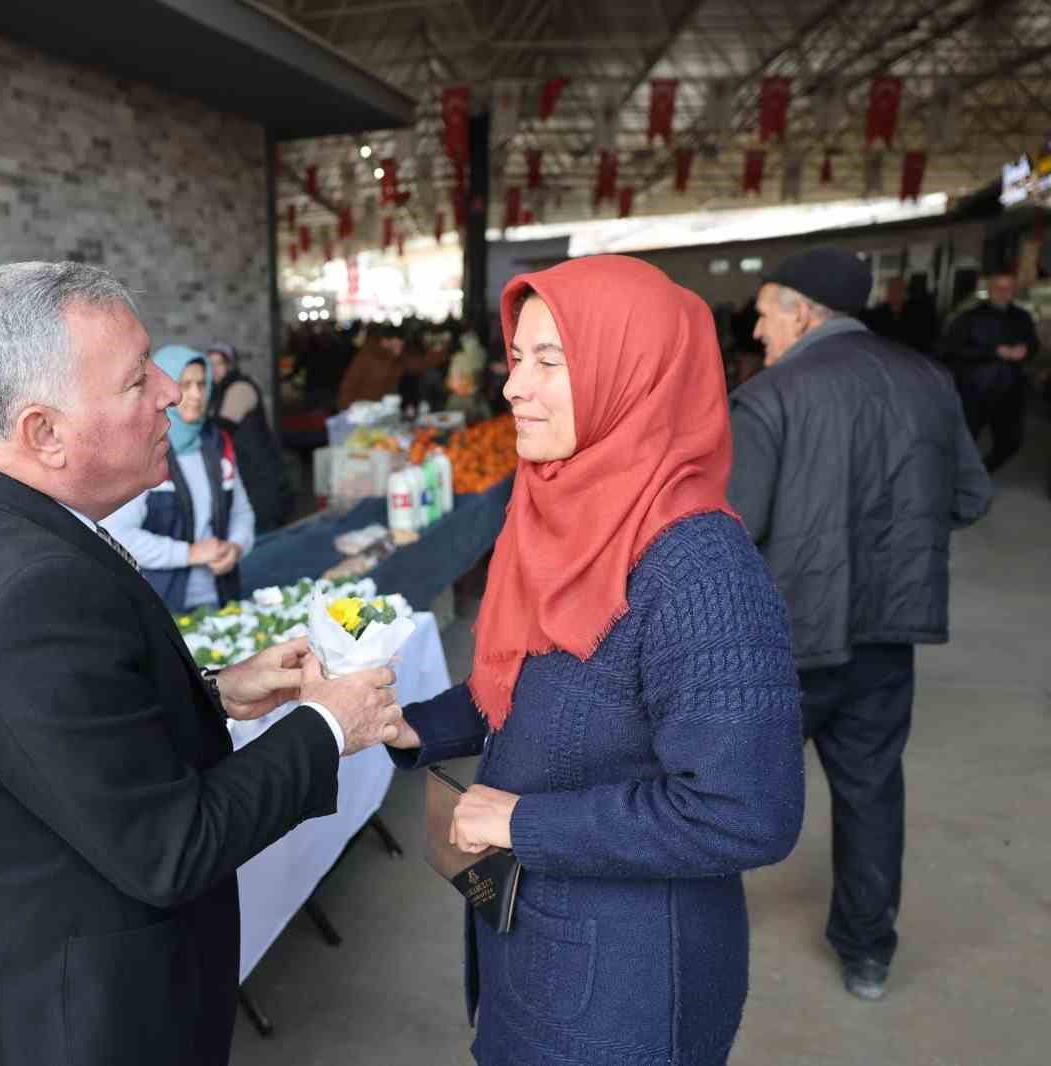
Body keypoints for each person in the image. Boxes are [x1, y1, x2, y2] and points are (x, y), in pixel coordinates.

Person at [0, 261, 403, 1066]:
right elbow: (170, 846)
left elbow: (47, 743)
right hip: (74, 1023)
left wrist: (213, 693)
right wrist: (330, 725)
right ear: (43, 432)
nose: (169, 393)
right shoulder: (31, 590)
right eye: (133, 379)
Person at [387, 256, 804, 1066]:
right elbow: (525, 680)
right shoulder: (557, 508)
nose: (513, 387)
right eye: (517, 358)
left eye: (551, 361)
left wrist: (521, 820)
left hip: (626, 992)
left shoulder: (697, 566)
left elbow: (747, 810)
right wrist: (409, 726)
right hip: (531, 948)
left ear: (633, 374)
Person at [732, 247, 992, 1001]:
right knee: (872, 790)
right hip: (887, 633)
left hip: (787, 640)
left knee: (725, 789)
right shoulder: (928, 382)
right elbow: (969, 500)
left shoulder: (773, 396)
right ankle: (868, 953)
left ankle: (696, 936)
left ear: (803, 312)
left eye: (764, 309)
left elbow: (733, 526)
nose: (754, 328)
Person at [103, 345, 254, 611]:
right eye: (184, 384)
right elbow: (118, 534)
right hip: (162, 603)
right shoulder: (144, 452)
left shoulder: (218, 444)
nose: (195, 394)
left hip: (221, 597)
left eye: (201, 384)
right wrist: (190, 554)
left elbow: (241, 511)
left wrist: (236, 546)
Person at [942, 269, 1040, 471]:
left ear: (1014, 291)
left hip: (1010, 389)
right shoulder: (969, 317)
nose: (1004, 292)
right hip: (976, 388)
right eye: (999, 287)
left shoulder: (1022, 316)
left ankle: (982, 472)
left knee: (1011, 440)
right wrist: (995, 351)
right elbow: (951, 349)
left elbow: (1033, 343)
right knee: (963, 441)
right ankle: (950, 480)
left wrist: (1026, 350)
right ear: (990, 289)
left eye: (1009, 288)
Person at [205, 341, 289, 531]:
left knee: (259, 528)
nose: (215, 369)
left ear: (230, 365)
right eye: (210, 364)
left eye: (220, 363)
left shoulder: (240, 388)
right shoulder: (216, 391)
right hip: (242, 468)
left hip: (257, 470)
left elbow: (223, 426)